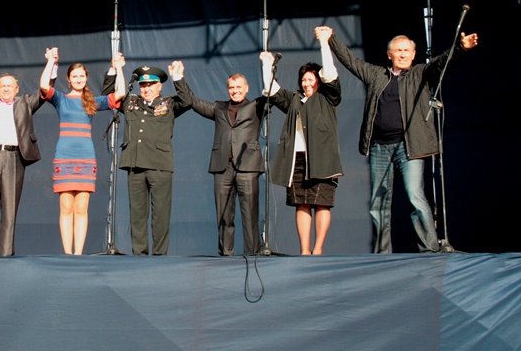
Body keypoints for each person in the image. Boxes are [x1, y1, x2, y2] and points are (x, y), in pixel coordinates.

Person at [326, 27, 479, 253]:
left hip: (409, 147)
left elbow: (442, 62)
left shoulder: (420, 73)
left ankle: (429, 248)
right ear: (390, 54)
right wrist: (331, 38)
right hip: (380, 147)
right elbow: (351, 61)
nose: (403, 54)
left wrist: (460, 48)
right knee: (378, 203)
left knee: (415, 197)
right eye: (398, 50)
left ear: (414, 54)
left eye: (407, 50)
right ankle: (382, 253)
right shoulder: (377, 74)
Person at [0, 29, 51, 256]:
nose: (6, 88)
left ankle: (6, 254)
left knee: (10, 209)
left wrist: (51, 63)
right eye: (2, 85)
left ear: (16, 89)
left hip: (15, 158)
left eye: (10, 86)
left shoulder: (25, 102)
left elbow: (45, 90)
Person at [40, 47, 126, 255]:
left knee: (81, 208)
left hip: (86, 159)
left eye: (81, 76)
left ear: (86, 79)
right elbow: (44, 86)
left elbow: (121, 93)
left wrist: (119, 68)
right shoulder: (61, 99)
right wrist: (50, 61)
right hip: (64, 158)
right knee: (66, 207)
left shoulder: (93, 102)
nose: (78, 79)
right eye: (74, 76)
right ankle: (67, 254)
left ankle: (78, 254)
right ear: (68, 80)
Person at [187, 54, 275, 256]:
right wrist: (178, 80)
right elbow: (193, 101)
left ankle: (252, 254)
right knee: (224, 215)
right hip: (223, 167)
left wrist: (268, 66)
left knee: (250, 215)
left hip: (247, 166)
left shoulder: (257, 105)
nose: (235, 91)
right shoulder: (219, 108)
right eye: (231, 88)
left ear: (246, 88)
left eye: (238, 87)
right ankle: (226, 255)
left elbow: (272, 92)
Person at [104, 62, 193, 255]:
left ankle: (159, 255)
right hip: (135, 164)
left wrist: (178, 78)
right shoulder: (131, 102)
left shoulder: (168, 104)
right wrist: (115, 69)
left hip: (159, 165)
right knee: (137, 214)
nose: (146, 89)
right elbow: (109, 95)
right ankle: (139, 255)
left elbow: (187, 101)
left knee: (160, 214)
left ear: (159, 86)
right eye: (143, 85)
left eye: (151, 85)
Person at [268, 28, 343, 255]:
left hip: (322, 160)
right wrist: (267, 65)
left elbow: (330, 73)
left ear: (319, 81)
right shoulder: (295, 99)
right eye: (303, 79)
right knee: (301, 203)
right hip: (297, 160)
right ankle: (304, 250)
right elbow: (273, 91)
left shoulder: (327, 97)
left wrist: (324, 44)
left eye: (311, 79)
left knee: (321, 202)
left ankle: (318, 249)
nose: (307, 83)